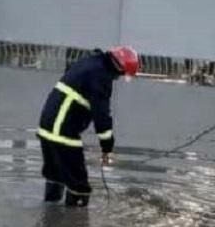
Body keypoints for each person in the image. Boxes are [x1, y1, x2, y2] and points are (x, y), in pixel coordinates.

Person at [37, 46, 141, 207]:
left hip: (47, 127)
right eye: (122, 75)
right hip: (62, 132)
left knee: (56, 174)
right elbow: (101, 116)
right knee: (80, 186)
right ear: (119, 68)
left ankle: (49, 217)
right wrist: (107, 147)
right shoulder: (102, 76)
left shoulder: (90, 62)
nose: (118, 78)